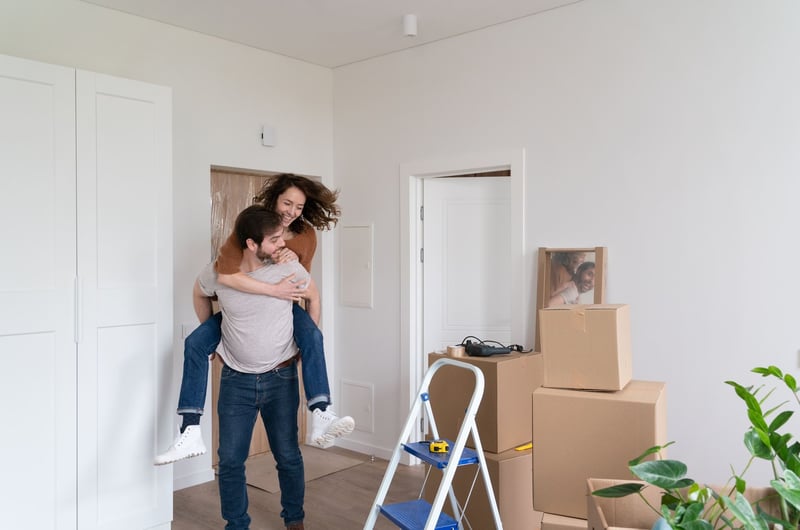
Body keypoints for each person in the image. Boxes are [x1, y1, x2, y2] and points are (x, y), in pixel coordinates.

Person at [155, 174, 353, 466]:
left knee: (313, 337)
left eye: (299, 206)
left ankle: (321, 413)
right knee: (197, 342)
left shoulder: (306, 235)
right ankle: (190, 430)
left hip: (284, 306)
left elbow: (306, 288)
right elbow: (223, 276)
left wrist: (302, 338)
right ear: (274, 199)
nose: (292, 211)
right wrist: (270, 289)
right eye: (287, 202)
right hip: (242, 307)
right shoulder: (249, 229)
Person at [197, 206, 310, 530]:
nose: (282, 244)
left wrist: (307, 341)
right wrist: (213, 338)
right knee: (231, 461)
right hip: (236, 380)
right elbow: (199, 292)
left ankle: (295, 521)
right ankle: (236, 524)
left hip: (281, 376)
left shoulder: (289, 268)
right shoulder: (218, 271)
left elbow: (313, 297)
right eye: (274, 239)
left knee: (288, 455)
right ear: (251, 243)